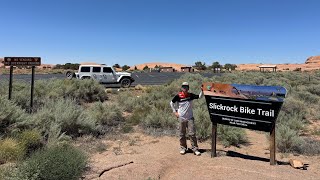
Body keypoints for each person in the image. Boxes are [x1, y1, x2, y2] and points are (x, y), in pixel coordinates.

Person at [170, 82, 203, 156]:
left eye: (186, 87)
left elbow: (199, 97)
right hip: (181, 117)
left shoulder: (190, 95)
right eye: (184, 87)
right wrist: (174, 112)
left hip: (190, 118)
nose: (185, 88)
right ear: (181, 88)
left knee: (192, 134)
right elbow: (171, 103)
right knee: (182, 134)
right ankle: (183, 148)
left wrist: (202, 90)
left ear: (188, 88)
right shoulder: (178, 96)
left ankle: (195, 149)